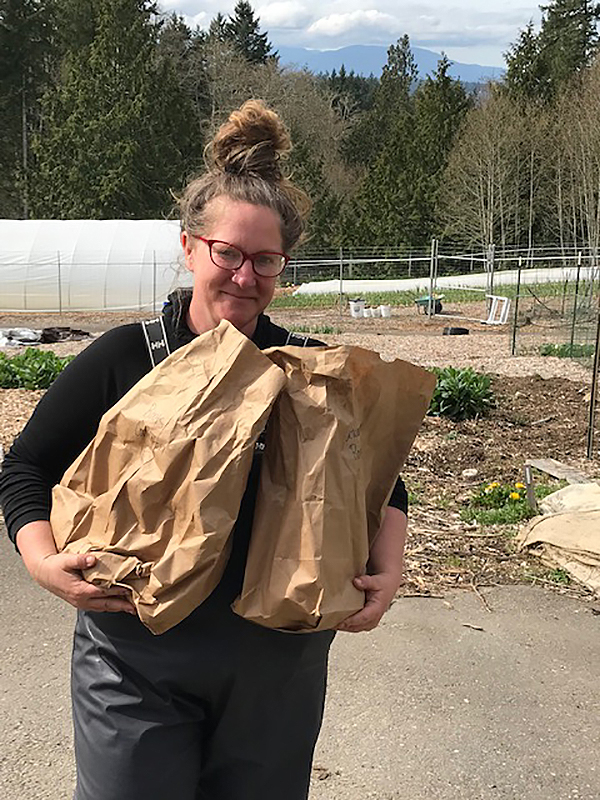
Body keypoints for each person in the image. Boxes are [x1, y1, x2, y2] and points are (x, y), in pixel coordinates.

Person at [0, 100, 408, 800]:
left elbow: (382, 483)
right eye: (228, 254)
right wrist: (45, 566)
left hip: (278, 670)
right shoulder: (127, 358)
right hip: (135, 665)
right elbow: (25, 469)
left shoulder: (310, 372)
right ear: (190, 246)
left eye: (266, 260)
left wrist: (388, 571)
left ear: (285, 265)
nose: (245, 277)